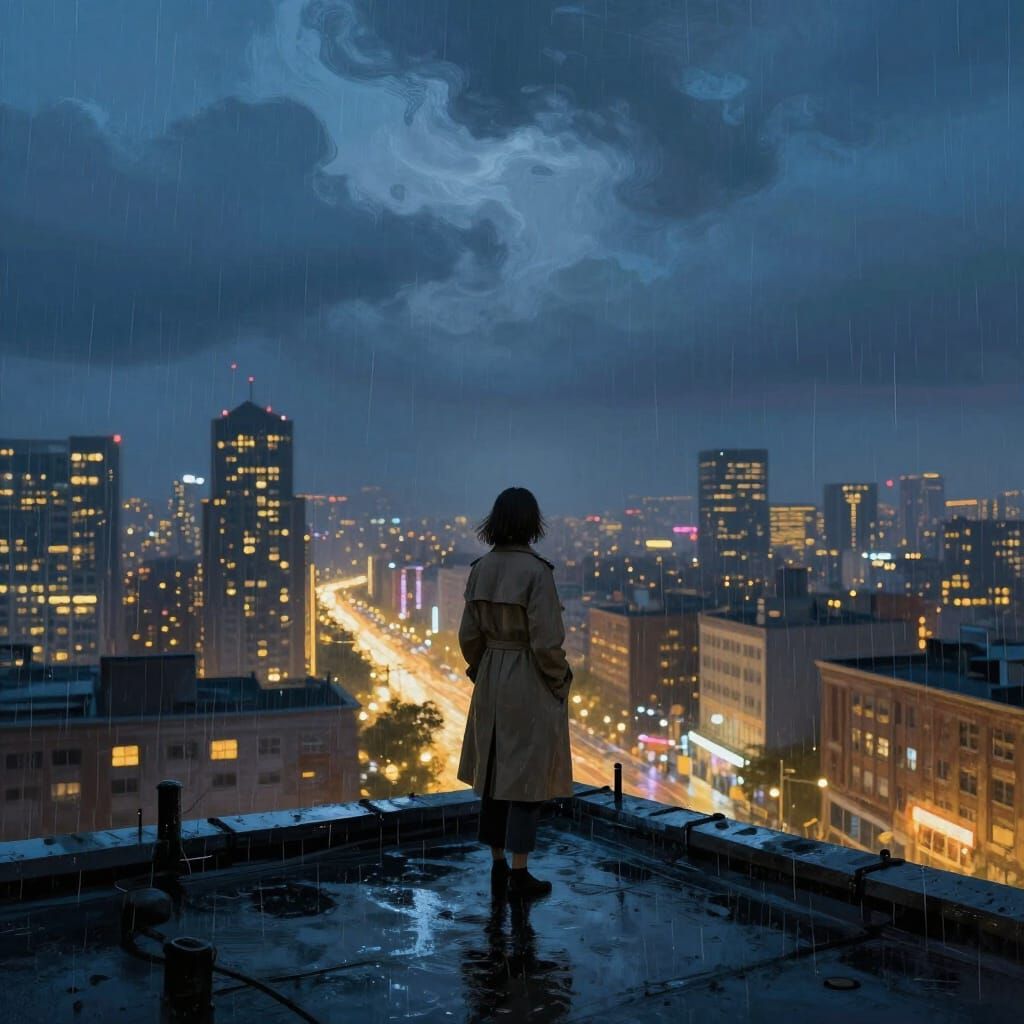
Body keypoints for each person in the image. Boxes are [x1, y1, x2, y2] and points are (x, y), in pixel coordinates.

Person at [457, 487, 574, 900]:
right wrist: (559, 680)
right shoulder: (537, 573)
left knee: (493, 772)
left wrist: (483, 669)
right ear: (532, 523)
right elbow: (547, 642)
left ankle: (497, 863)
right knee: (526, 776)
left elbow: (468, 636)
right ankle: (520, 873)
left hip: (491, 673)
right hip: (527, 677)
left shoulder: (481, 568)